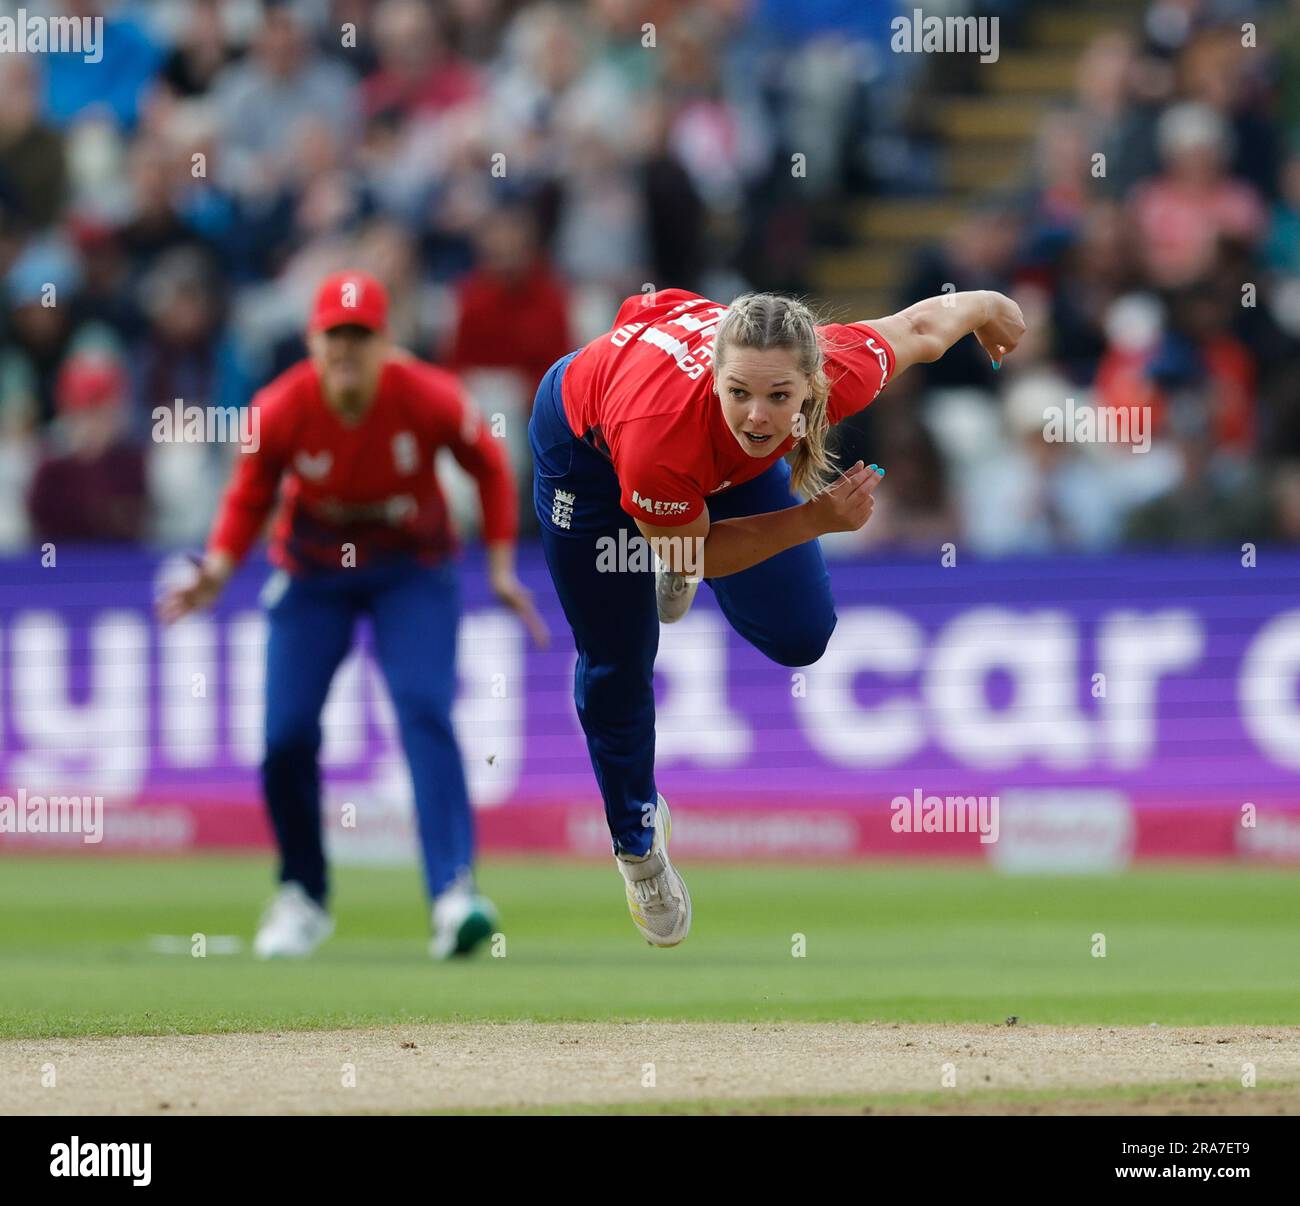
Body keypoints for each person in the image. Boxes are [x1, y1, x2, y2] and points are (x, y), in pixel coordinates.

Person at [529, 287, 1024, 947]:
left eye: (779, 397)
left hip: (687, 459)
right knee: (618, 658)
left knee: (801, 635)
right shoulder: (661, 439)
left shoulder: (839, 370)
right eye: (740, 392)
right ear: (714, 373)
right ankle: (637, 845)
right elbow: (705, 554)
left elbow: (923, 327)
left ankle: (670, 531)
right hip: (587, 455)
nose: (759, 418)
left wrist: (990, 305)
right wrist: (815, 520)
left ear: (814, 384)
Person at [159, 270, 547, 960]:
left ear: (384, 342)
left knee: (423, 709)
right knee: (284, 736)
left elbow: (488, 466)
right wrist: (218, 568)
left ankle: (454, 896)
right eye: (334, 338)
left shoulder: (427, 395)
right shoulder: (281, 408)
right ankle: (302, 895)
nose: (345, 352)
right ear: (312, 341)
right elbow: (250, 493)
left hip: (412, 573)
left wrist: (497, 566)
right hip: (312, 576)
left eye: (359, 338)